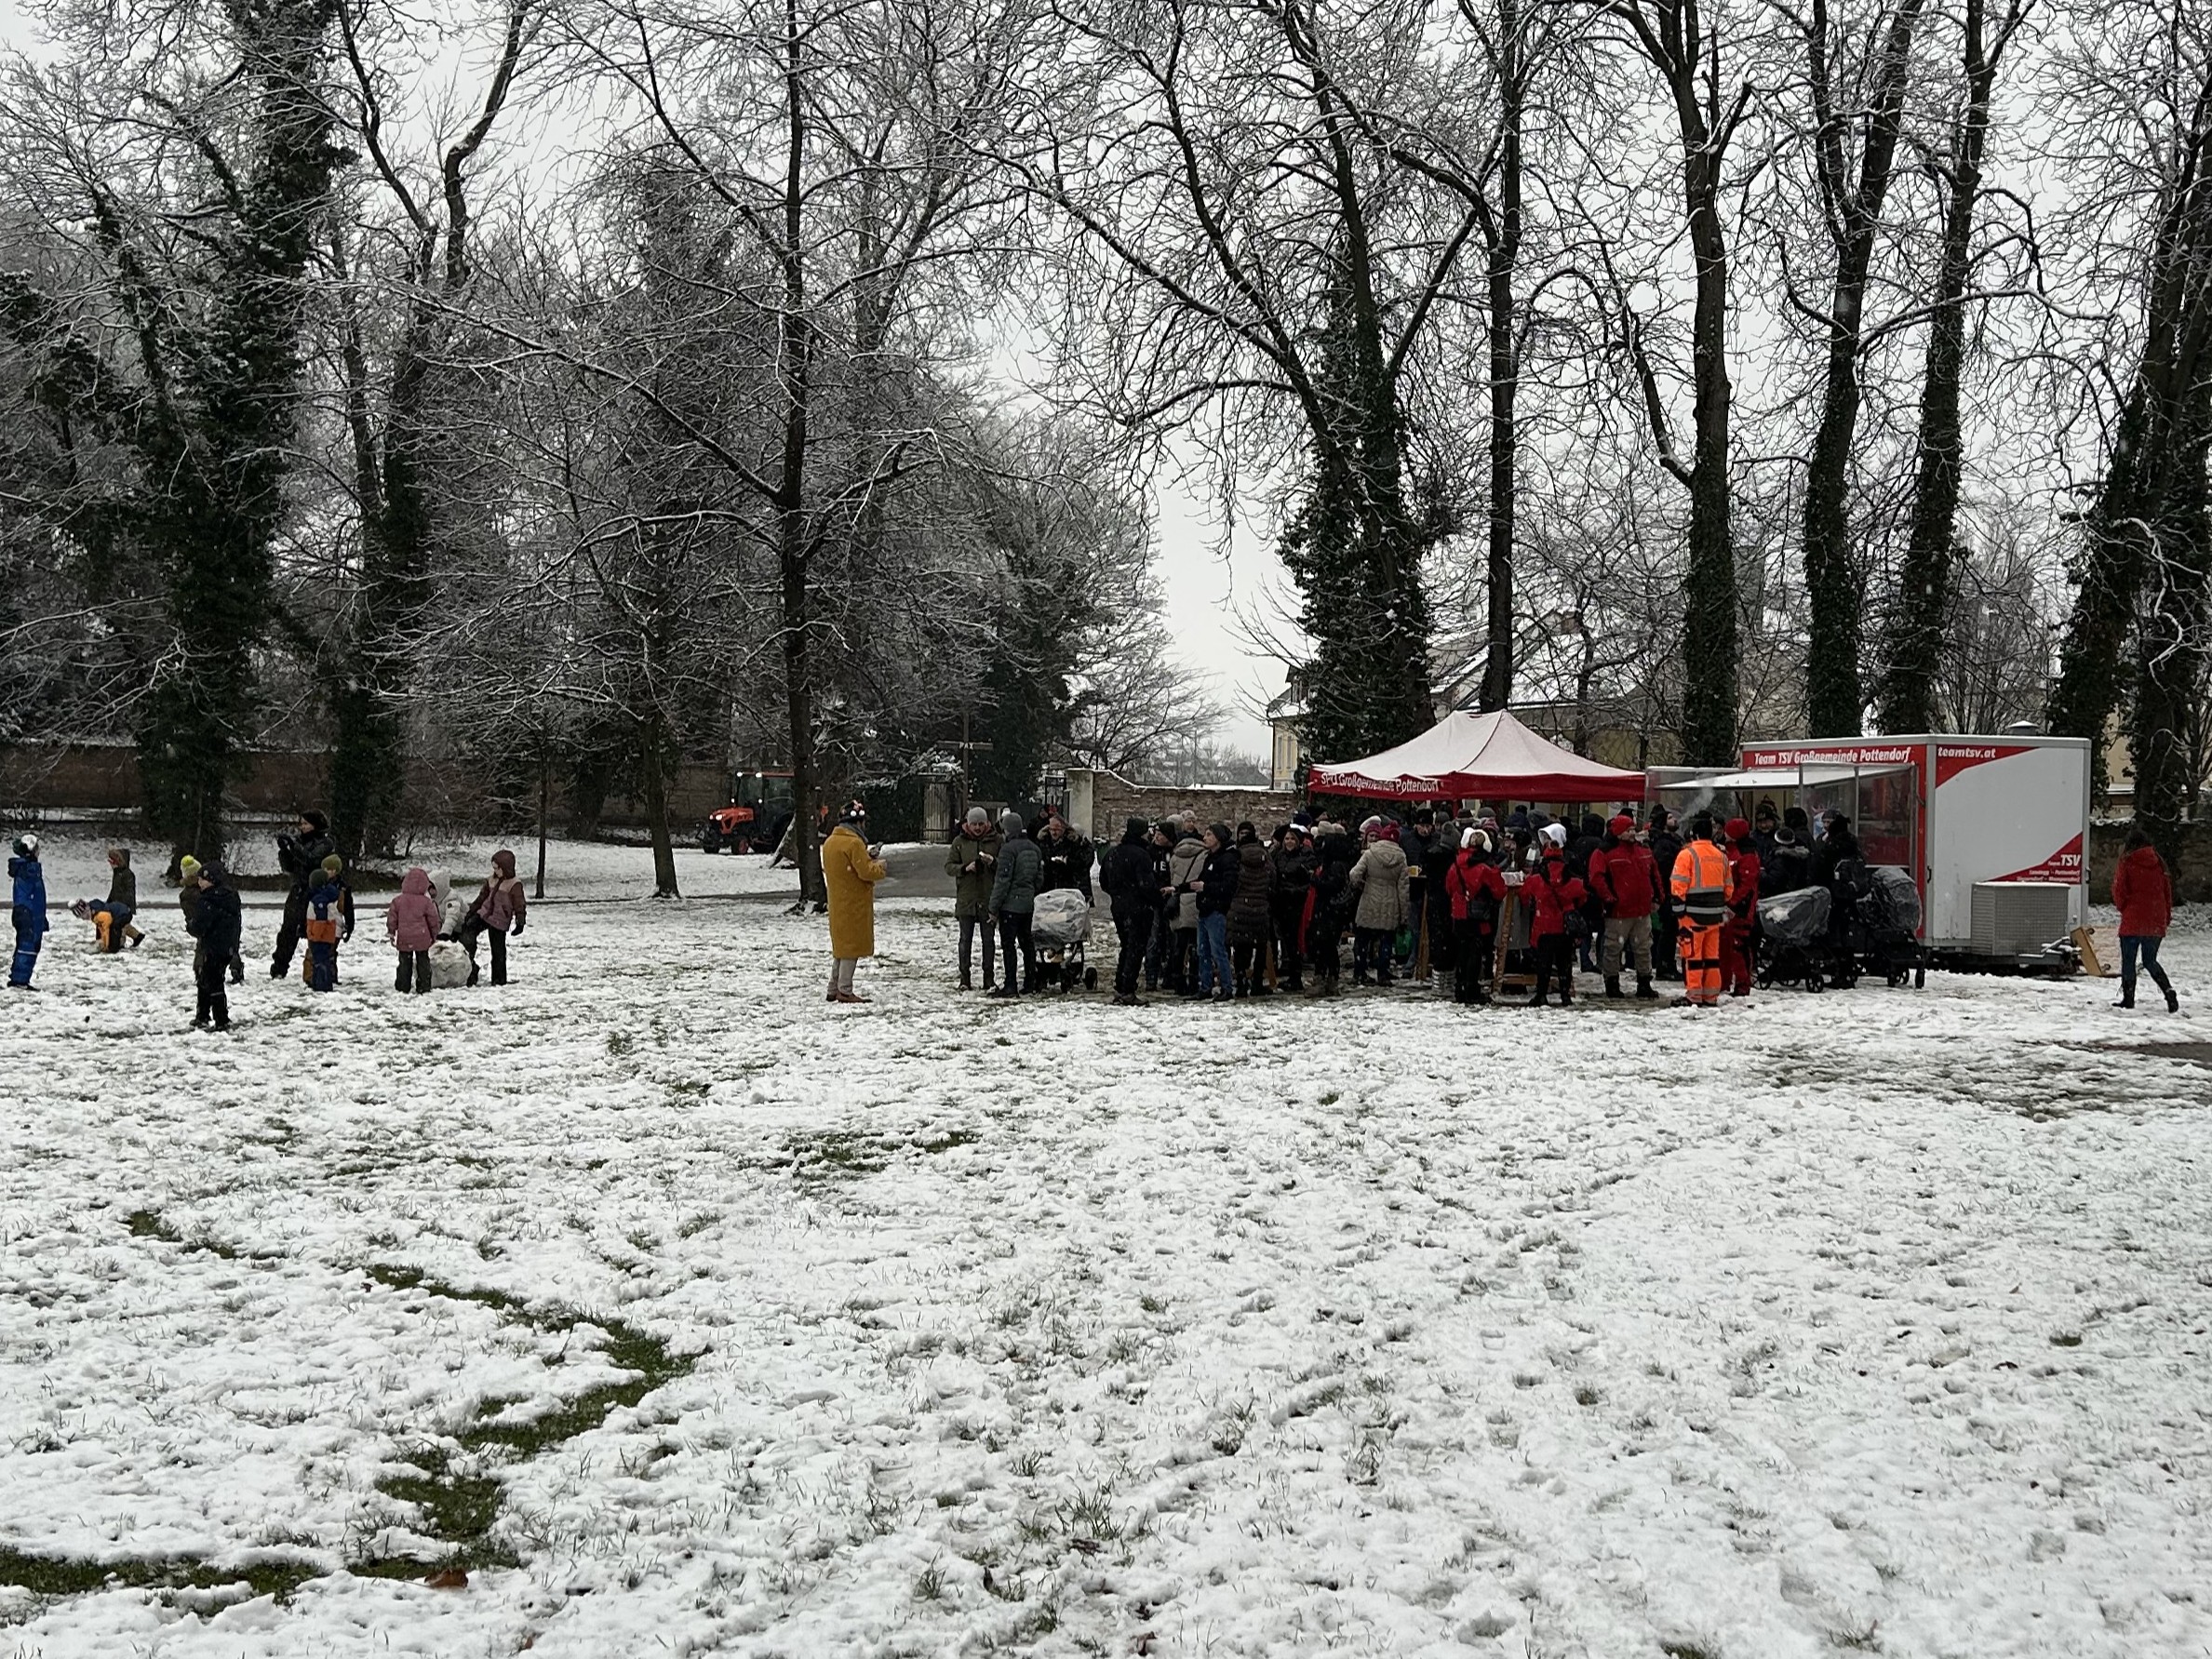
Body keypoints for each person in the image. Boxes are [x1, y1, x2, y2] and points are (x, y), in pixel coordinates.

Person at [822, 799, 887, 1004]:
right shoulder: (854, 843)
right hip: (854, 903)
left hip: (837, 901)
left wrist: (865, 857)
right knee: (851, 949)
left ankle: (833, 987)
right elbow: (866, 872)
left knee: (841, 949)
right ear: (858, 823)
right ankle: (845, 989)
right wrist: (879, 865)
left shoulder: (831, 842)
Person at [1589, 813, 1659, 1000]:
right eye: (1628, 830)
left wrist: (1657, 897)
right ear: (1618, 832)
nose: (1632, 833)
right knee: (1614, 948)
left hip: (1639, 910)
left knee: (1643, 948)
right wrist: (1609, 898)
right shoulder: (1606, 852)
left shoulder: (1642, 851)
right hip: (1619, 910)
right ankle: (1613, 983)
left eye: (1633, 829)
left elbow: (1654, 875)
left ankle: (1644, 982)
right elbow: (1596, 879)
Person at [2111, 827, 2181, 1012]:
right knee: (2150, 961)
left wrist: (2123, 907)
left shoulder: (2127, 861)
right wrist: (2165, 916)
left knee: (2129, 961)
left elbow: (2120, 889)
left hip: (2133, 918)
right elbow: (2167, 892)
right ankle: (2168, 991)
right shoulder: (2159, 862)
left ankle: (2128, 998)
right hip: (2155, 919)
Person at [1099, 815, 1166, 1006]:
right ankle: (1128, 988)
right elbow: (1146, 884)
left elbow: (1104, 881)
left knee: (1126, 946)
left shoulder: (1113, 853)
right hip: (1138, 907)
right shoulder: (1141, 855)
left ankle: (1121, 985)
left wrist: (1117, 894)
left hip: (1119, 906)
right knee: (1135, 948)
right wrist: (1157, 898)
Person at [1670, 812, 1732, 1009]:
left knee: (1693, 957)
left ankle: (1694, 996)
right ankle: (1710, 996)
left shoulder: (1687, 855)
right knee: (1712, 958)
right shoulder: (1721, 857)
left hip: (1692, 916)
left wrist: (1678, 910)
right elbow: (1728, 890)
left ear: (1694, 835)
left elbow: (1678, 886)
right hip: (1715, 916)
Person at [1523, 825, 1588, 1006]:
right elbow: (1582, 894)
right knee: (1564, 962)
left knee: (1543, 962)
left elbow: (1525, 894)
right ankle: (1565, 995)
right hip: (1564, 925)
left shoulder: (1537, 879)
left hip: (1544, 925)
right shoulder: (1571, 877)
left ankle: (1541, 994)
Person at [270, 810, 335, 978]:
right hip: (298, 891)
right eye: (302, 824)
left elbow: (311, 860)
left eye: (306, 824)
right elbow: (290, 867)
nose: (302, 827)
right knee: (288, 931)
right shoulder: (300, 842)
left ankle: (319, 970)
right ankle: (279, 968)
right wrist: (284, 851)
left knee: (317, 931)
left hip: (315, 892)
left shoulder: (325, 843)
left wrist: (294, 846)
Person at [1445, 828, 1507, 1005]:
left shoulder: (1456, 864)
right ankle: (1471, 988)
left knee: (1462, 949)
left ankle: (1460, 986)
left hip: (1459, 912)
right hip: (1478, 914)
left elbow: (1449, 888)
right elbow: (1499, 891)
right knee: (1475, 951)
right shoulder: (1486, 868)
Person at [945, 807, 1002, 992]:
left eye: (980, 824)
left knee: (988, 941)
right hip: (966, 898)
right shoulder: (959, 842)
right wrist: (964, 868)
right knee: (965, 941)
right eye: (974, 824)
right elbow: (949, 866)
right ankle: (964, 978)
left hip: (988, 898)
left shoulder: (997, 841)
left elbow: (1005, 867)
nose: (977, 828)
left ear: (987, 824)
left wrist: (993, 863)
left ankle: (988, 978)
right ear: (967, 825)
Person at [1347, 817, 1411, 986]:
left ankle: (1360, 972)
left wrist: (1361, 884)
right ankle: (1383, 974)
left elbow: (1354, 874)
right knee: (1386, 940)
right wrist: (1404, 915)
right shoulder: (1401, 857)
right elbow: (1403, 889)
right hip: (1391, 902)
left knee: (1362, 939)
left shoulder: (1370, 853)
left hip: (1369, 899)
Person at [987, 809, 1042, 997]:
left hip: (1010, 905)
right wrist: (1029, 892)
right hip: (1027, 905)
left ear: (1007, 830)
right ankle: (1030, 981)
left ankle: (1011, 984)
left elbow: (1002, 881)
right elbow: (1039, 878)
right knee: (1027, 944)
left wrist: (993, 907)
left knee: (1009, 945)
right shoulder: (1034, 848)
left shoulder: (1008, 850)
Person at [460, 849, 529, 987]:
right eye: (494, 868)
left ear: (506, 868)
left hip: (499, 919)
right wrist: (471, 912)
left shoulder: (514, 884)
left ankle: (499, 980)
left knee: (498, 951)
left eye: (498, 868)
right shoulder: (491, 880)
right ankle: (468, 964)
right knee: (468, 930)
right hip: (484, 914)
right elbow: (481, 898)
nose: (495, 871)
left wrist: (520, 922)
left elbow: (519, 904)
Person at [185, 860, 241, 1030]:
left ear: (212, 880)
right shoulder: (230, 897)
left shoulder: (207, 900)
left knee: (212, 982)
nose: (199, 883)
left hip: (212, 947)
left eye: (203, 879)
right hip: (227, 946)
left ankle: (220, 1019)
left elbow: (200, 926)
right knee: (207, 979)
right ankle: (203, 1015)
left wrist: (191, 925)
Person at [1187, 823, 1239, 1000]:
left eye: (1209, 834)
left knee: (1218, 951)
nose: (1205, 838)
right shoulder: (1210, 857)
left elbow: (1229, 886)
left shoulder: (1228, 858)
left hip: (1216, 910)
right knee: (1203, 951)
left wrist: (1206, 887)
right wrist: (1178, 889)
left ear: (1218, 838)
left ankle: (1226, 988)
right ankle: (1205, 986)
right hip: (1205, 909)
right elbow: (1201, 881)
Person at [1306, 820, 1355, 996]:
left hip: (1329, 912)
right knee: (1326, 946)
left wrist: (1314, 880)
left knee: (1325, 946)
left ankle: (1325, 979)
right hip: (1330, 912)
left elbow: (1331, 886)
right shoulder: (1337, 864)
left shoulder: (1335, 866)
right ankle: (1329, 979)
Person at [1227, 823, 1276, 997]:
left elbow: (1232, 880)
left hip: (1239, 907)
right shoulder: (1265, 856)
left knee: (1240, 946)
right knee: (1261, 945)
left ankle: (1241, 982)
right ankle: (1257, 983)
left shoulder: (1236, 856)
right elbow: (1273, 879)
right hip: (1260, 906)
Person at [1268, 823, 1316, 993]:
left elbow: (1309, 882)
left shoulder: (1306, 857)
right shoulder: (1280, 856)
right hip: (1281, 902)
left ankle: (1296, 976)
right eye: (1287, 839)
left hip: (1297, 903)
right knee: (1286, 941)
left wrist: (1294, 890)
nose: (1289, 842)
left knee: (1294, 940)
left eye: (1292, 839)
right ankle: (1291, 974)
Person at [1164, 820, 1208, 997]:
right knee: (1196, 945)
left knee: (1179, 946)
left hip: (1179, 902)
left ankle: (1178, 980)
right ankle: (1194, 979)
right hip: (1196, 902)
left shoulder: (1175, 856)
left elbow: (1172, 878)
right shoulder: (1204, 856)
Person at [386, 866, 441, 994]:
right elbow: (433, 920)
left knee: (404, 963)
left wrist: (391, 932)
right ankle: (424, 985)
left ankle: (403, 985)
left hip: (404, 937)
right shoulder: (426, 902)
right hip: (422, 937)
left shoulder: (398, 901)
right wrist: (435, 934)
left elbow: (392, 918)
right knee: (423, 962)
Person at [1722, 817, 1761, 999]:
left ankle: (1742, 984)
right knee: (1727, 946)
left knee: (1738, 946)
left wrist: (1734, 904)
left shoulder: (1746, 855)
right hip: (1732, 905)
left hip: (1740, 908)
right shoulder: (1734, 851)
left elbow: (1747, 885)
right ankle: (1727, 982)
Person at [1566, 813, 1608, 973]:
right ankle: (1600, 960)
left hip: (1580, 888)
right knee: (1601, 927)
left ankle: (1585, 959)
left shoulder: (1578, 842)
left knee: (1585, 928)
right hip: (1594, 890)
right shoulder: (1599, 845)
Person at [1647, 806, 1683, 981]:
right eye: (1669, 818)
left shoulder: (1671, 841)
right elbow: (1663, 869)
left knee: (1670, 930)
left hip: (1672, 891)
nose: (1674, 820)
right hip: (1670, 892)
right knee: (1669, 931)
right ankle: (1664, 965)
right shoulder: (1663, 844)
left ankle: (1667, 964)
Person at [1142, 822, 1179, 993]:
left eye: (1161, 834)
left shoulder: (1175, 853)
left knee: (1172, 940)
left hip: (1172, 901)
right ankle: (1151, 976)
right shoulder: (1149, 853)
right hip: (1154, 901)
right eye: (1156, 833)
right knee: (1153, 940)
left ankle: (1170, 975)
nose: (1157, 837)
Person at [304, 855, 350, 992]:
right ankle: (324, 980)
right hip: (329, 931)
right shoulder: (329, 893)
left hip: (322, 933)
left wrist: (315, 935)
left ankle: (320, 983)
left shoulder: (320, 899)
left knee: (320, 959)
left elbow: (321, 920)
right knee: (325, 957)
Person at [8, 833, 47, 991]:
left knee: (27, 945)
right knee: (28, 946)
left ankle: (19, 978)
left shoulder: (27, 868)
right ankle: (19, 980)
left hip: (28, 912)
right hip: (27, 912)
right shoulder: (29, 869)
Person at [1036, 813, 1095, 902]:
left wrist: (1067, 861)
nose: (1053, 832)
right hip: (1047, 889)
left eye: (1057, 830)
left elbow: (1083, 864)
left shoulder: (1073, 843)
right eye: (1051, 829)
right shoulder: (1043, 842)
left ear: (1063, 829)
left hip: (1068, 889)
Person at [103, 850, 145, 949]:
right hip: (116, 904)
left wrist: (126, 905)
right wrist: (109, 902)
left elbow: (129, 891)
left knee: (120, 924)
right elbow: (114, 890)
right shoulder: (117, 873)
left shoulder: (127, 874)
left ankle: (120, 943)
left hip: (124, 905)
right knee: (124, 924)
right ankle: (137, 936)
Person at [1761, 820, 1814, 896]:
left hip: (1780, 896)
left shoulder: (1780, 859)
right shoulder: (1801, 856)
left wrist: (1762, 873)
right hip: (1796, 895)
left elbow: (1772, 881)